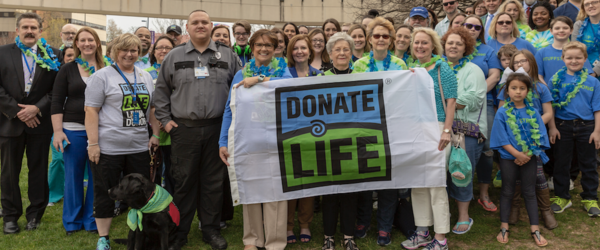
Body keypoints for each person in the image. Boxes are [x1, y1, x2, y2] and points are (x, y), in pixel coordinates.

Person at [153, 10, 242, 250]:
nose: (200, 25)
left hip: (217, 129)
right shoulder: (173, 56)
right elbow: (160, 93)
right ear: (188, 27)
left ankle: (210, 229)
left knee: (213, 183)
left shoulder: (229, 56)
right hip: (184, 130)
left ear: (211, 26)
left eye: (205, 22)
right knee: (183, 183)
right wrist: (167, 122)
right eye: (195, 22)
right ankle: (180, 232)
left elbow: (240, 90)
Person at [84, 33, 160, 250]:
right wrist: (93, 144)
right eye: (124, 50)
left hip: (138, 146)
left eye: (134, 50)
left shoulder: (145, 76)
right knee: (105, 192)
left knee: (140, 194)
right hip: (109, 147)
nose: (129, 54)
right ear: (114, 52)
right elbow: (91, 111)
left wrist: (155, 134)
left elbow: (152, 109)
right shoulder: (101, 77)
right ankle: (103, 238)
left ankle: (139, 234)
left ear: (140, 52)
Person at [219, 29, 292, 250]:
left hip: (276, 139)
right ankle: (252, 240)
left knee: (275, 191)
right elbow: (229, 110)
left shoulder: (284, 71)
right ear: (252, 48)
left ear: (275, 48)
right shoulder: (241, 74)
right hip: (247, 140)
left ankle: (275, 242)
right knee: (249, 188)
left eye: (268, 45)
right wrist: (223, 142)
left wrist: (259, 79)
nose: (263, 49)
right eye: (259, 45)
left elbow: (288, 88)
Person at [0, 12, 60, 235]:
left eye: (34, 28)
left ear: (40, 31)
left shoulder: (54, 55)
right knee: (9, 173)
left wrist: (37, 108)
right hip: (9, 124)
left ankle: (35, 214)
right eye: (25, 27)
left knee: (37, 171)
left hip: (39, 124)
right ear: (17, 30)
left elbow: (57, 89)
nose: (29, 31)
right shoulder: (2, 53)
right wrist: (17, 111)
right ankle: (10, 217)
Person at [351, 18, 409, 246]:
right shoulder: (359, 66)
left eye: (386, 36)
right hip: (366, 127)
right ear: (369, 39)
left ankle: (385, 226)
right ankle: (363, 221)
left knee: (389, 180)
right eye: (377, 36)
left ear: (391, 40)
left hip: (393, 129)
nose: (381, 39)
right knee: (366, 177)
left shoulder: (401, 66)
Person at [401, 27, 456, 250]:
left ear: (432, 46)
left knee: (435, 184)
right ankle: (422, 232)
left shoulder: (443, 69)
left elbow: (452, 101)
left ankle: (440, 238)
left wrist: (446, 130)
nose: (420, 46)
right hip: (416, 130)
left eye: (424, 43)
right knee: (418, 183)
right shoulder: (411, 69)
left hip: (438, 128)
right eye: (416, 43)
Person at [52, 27, 109, 235]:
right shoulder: (67, 69)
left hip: (102, 130)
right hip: (73, 129)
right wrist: (58, 131)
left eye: (91, 40)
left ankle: (92, 220)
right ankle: (72, 222)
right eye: (82, 40)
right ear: (76, 43)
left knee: (98, 177)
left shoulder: (107, 68)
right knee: (73, 176)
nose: (87, 44)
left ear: (97, 43)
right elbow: (57, 101)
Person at [497, 50, 557, 229]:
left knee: (538, 175)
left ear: (532, 62)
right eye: (516, 62)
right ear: (512, 66)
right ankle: (514, 207)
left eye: (524, 61)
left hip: (534, 140)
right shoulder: (507, 88)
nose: (520, 65)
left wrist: (534, 126)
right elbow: (502, 113)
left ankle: (545, 210)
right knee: (514, 177)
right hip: (512, 140)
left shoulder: (540, 87)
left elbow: (548, 112)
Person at [491, 73, 550, 247]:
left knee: (529, 191)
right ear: (507, 91)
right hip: (509, 158)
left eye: (522, 88)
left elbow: (539, 135)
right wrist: (517, 154)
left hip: (529, 157)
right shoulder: (502, 112)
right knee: (508, 191)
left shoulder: (533, 113)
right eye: (514, 88)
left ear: (528, 91)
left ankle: (535, 229)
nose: (518, 92)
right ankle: (504, 226)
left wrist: (528, 154)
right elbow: (500, 138)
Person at [441, 27, 487, 235]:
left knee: (460, 169)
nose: (453, 46)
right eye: (450, 42)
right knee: (441, 171)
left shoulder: (473, 70)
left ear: (465, 48)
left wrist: (447, 104)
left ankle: (463, 216)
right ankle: (443, 212)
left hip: (461, 131)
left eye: (459, 44)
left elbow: (474, 99)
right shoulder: (438, 68)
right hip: (439, 128)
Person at [317, 33, 359, 250]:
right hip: (328, 143)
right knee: (330, 193)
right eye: (337, 49)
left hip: (353, 143)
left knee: (350, 193)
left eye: (346, 49)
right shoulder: (320, 79)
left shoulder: (362, 76)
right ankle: (328, 237)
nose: (342, 53)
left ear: (351, 53)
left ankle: (349, 236)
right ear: (330, 53)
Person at [548, 41, 600, 217]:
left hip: (587, 126)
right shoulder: (555, 80)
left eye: (578, 57)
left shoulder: (593, 82)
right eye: (569, 57)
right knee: (561, 162)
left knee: (589, 163)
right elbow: (551, 106)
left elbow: (597, 108)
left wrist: (597, 131)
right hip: (563, 125)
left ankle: (590, 198)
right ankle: (562, 197)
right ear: (563, 58)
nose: (574, 61)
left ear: (585, 59)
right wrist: (552, 127)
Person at [463, 15, 503, 206]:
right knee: (461, 145)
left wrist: (476, 95)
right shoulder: (454, 47)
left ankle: (484, 193)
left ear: (481, 31)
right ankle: (463, 189)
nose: (472, 29)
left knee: (486, 147)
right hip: (458, 104)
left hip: (483, 103)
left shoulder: (488, 50)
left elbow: (495, 76)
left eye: (476, 27)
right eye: (468, 25)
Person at [284, 35, 321, 244]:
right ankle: (288, 226)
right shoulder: (282, 74)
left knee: (309, 182)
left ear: (310, 51)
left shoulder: (319, 75)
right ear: (290, 52)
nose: (299, 51)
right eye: (295, 48)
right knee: (291, 181)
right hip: (288, 137)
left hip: (312, 136)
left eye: (303, 48)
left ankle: (305, 223)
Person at [145, 35, 176, 195]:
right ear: (153, 51)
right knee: (153, 167)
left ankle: (171, 200)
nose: (163, 51)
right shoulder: (145, 73)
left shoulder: (178, 71)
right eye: (159, 48)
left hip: (171, 126)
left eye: (167, 48)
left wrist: (167, 119)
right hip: (152, 128)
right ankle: (154, 199)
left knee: (172, 169)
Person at [536, 16, 595, 85]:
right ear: (551, 31)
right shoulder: (541, 53)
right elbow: (538, 76)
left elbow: (589, 74)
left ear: (571, 30)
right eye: (557, 28)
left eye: (565, 28)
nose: (561, 30)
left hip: (574, 93)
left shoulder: (578, 52)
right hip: (549, 93)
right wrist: (547, 90)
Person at [572, 0, 600, 78]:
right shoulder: (579, 25)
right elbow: (573, 49)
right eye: (587, 4)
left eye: (594, 2)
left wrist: (595, 72)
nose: (590, 6)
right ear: (584, 8)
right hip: (583, 72)